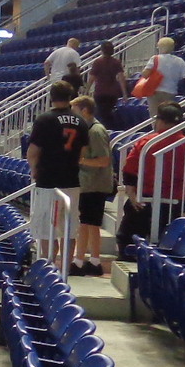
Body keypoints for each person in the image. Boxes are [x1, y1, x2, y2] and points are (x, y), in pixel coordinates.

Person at [120, 102, 185, 249]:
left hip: (144, 199)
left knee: (128, 240)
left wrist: (131, 193)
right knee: (169, 243)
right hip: (177, 202)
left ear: (160, 121)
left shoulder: (147, 142)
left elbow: (130, 168)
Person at [26, 81, 87, 268]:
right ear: (70, 97)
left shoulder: (45, 120)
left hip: (48, 180)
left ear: (51, 97)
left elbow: (33, 151)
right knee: (68, 227)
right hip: (71, 179)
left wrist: (34, 169)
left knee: (47, 228)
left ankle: (47, 265)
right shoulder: (81, 121)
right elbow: (83, 153)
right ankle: (66, 268)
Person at [70, 96, 113, 276]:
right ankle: (84, 260)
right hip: (88, 183)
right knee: (87, 224)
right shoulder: (87, 130)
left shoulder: (95, 131)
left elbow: (103, 160)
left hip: (95, 184)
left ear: (84, 111)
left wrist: (79, 160)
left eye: (75, 111)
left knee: (91, 223)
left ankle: (89, 261)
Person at [138, 37, 185, 116]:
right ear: (172, 47)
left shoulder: (155, 58)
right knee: (167, 116)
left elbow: (145, 74)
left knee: (156, 117)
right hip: (170, 92)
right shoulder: (179, 60)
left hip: (154, 92)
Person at [89, 41, 127, 127]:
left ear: (102, 50)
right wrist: (124, 93)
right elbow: (121, 77)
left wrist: (87, 89)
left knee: (102, 114)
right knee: (108, 113)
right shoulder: (116, 62)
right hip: (112, 93)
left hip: (100, 92)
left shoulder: (97, 62)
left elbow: (92, 77)